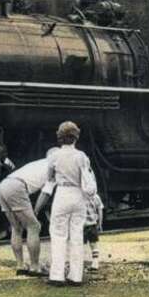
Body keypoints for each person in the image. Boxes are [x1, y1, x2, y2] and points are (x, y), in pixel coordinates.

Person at [0, 147, 57, 276]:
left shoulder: (38, 163)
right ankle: (35, 267)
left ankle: (20, 266)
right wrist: (36, 210)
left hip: (3, 185)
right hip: (16, 187)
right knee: (34, 226)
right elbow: (46, 193)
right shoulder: (53, 167)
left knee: (16, 227)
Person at [46, 121, 94, 286]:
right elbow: (86, 176)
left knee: (58, 234)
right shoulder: (81, 156)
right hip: (78, 195)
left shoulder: (54, 156)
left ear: (59, 137)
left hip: (62, 193)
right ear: (76, 137)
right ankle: (76, 276)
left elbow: (49, 178)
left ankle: (57, 275)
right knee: (76, 235)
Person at [84, 192, 104, 272]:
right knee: (94, 244)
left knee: (79, 245)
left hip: (82, 224)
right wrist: (100, 223)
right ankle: (95, 263)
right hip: (92, 224)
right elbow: (100, 211)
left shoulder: (79, 195)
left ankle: (78, 263)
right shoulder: (96, 197)